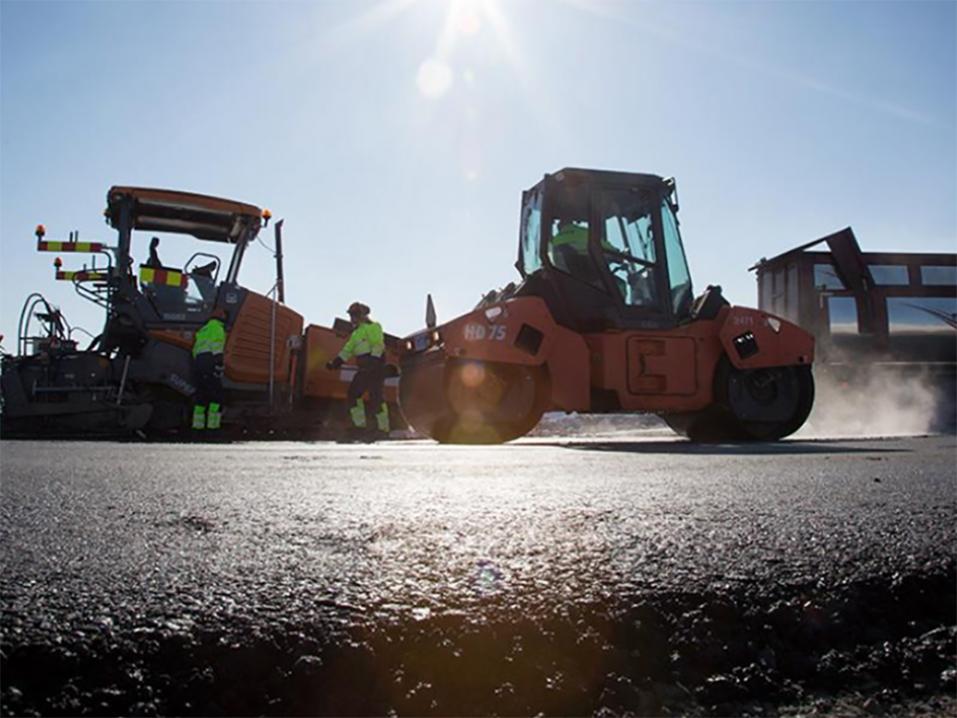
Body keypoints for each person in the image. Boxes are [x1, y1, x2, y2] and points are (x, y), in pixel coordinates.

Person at [326, 302, 389, 441]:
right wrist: (335, 363)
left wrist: (374, 360)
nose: (352, 318)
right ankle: (359, 427)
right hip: (364, 368)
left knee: (376, 398)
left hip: (375, 367)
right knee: (353, 395)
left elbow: (378, 344)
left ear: (362, 315)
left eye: (354, 315)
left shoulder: (374, 327)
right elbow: (347, 350)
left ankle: (382, 429)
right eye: (350, 315)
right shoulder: (356, 334)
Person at [192, 307, 227, 431]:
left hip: (198, 363)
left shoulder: (203, 329)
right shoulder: (217, 328)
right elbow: (217, 346)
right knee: (217, 396)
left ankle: (197, 427)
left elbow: (195, 350)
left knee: (201, 397)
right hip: (209, 362)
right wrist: (219, 363)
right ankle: (213, 427)